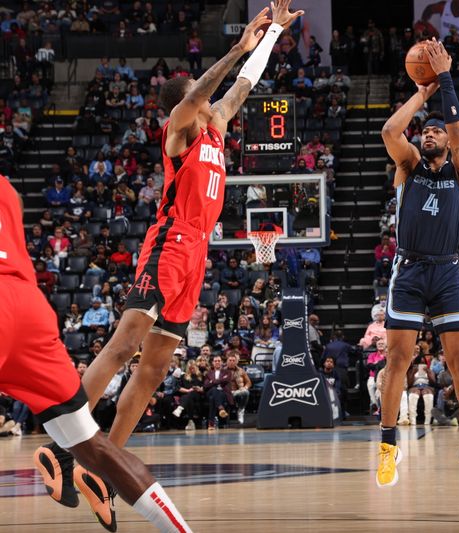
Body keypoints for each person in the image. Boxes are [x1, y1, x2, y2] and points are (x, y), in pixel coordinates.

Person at [36, 4, 304, 525]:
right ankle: (63, 447)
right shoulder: (178, 130)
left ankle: (103, 463)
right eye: (202, 102)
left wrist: (270, 34)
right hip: (170, 243)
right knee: (123, 346)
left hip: (198, 253)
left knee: (155, 369)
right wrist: (234, 49)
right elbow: (209, 89)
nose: (213, 106)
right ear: (186, 105)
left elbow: (244, 87)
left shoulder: (217, 126)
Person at [1, 177, 192, 532]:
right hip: (29, 308)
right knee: (99, 447)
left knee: (143, 361)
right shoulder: (5, 188)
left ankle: (59, 453)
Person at [378, 39, 459, 489]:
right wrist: (421, 94)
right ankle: (387, 448)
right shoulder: (409, 167)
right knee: (397, 358)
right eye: (427, 130)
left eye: (436, 130)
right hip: (409, 269)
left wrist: (444, 80)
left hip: (446, 270)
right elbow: (389, 131)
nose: (429, 132)